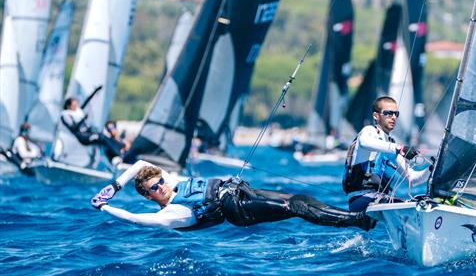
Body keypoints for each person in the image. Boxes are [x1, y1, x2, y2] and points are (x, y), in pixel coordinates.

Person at [90, 160, 376, 231]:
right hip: (239, 210)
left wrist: (114, 186)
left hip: (240, 191)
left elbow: (140, 164)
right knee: (296, 206)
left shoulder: (174, 183)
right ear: (148, 196)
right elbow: (134, 219)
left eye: (160, 181)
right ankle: (358, 220)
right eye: (154, 188)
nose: (161, 186)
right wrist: (104, 207)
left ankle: (355, 217)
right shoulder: (172, 213)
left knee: (300, 198)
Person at [343, 96, 430, 212]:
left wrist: (432, 169)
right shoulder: (370, 131)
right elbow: (364, 142)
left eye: (396, 114)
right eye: (388, 113)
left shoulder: (390, 144)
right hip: (361, 199)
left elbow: (413, 179)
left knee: (419, 203)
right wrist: (400, 148)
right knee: (409, 206)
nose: (393, 117)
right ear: (376, 116)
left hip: (379, 200)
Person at [60, 89, 124, 161]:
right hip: (83, 137)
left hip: (89, 133)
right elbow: (73, 128)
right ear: (69, 106)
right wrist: (82, 119)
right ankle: (118, 154)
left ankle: (118, 152)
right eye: (74, 105)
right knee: (101, 138)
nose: (76, 107)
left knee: (105, 138)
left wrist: (95, 91)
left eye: (76, 105)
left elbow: (87, 101)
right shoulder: (65, 115)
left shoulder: (77, 111)